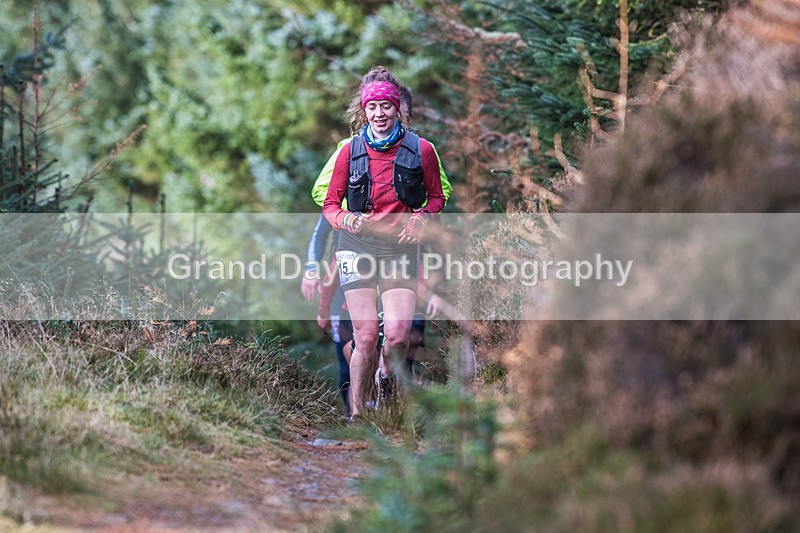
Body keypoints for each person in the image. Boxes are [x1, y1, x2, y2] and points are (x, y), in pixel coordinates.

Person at [323, 70, 446, 418]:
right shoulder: (349, 151)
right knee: (364, 336)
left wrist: (420, 218)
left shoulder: (422, 150)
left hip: (399, 249)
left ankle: (385, 376)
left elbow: (437, 198)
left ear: (398, 110)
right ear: (365, 111)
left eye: (386, 106)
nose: (380, 113)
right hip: (356, 246)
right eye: (373, 106)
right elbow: (329, 205)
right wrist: (347, 219)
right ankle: (359, 415)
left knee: (396, 335)